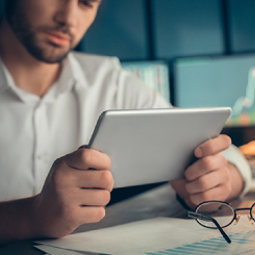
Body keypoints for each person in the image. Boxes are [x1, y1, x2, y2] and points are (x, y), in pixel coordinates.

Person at [0, 0, 251, 245]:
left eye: (86, 3)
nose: (67, 18)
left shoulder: (110, 82)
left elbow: (215, 149)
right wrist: (31, 216)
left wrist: (221, 177)